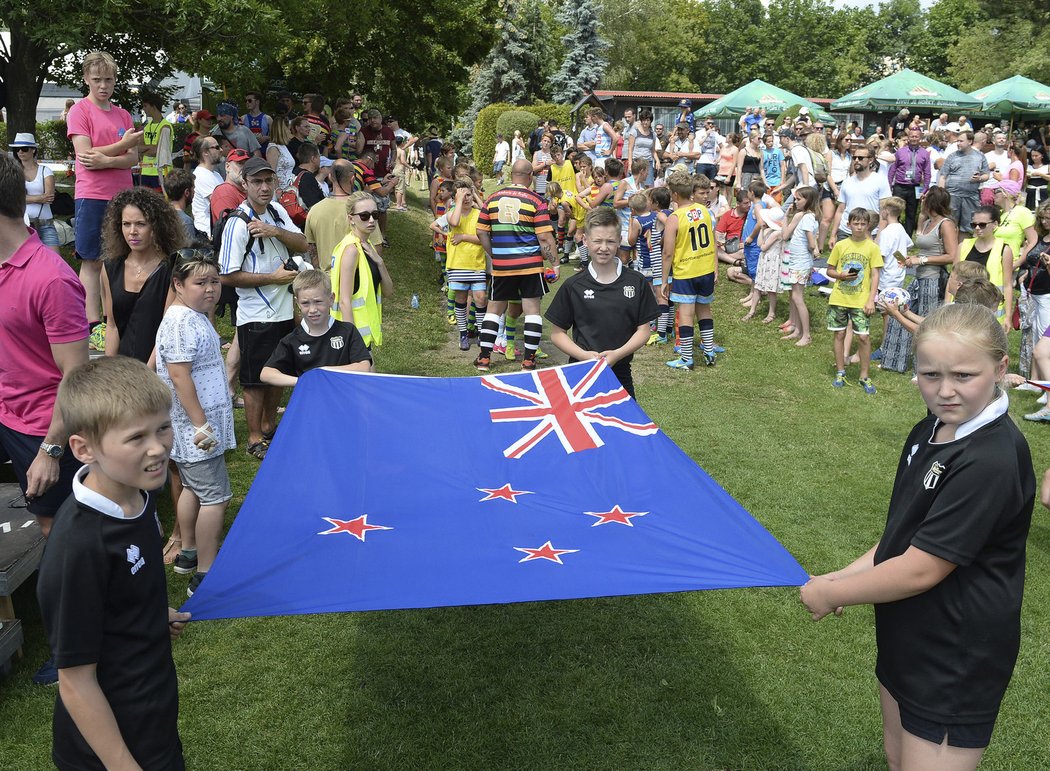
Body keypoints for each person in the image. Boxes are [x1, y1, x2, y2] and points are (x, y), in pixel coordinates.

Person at [801, 302, 1034, 771]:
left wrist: (833, 593)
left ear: (1001, 369)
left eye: (964, 376)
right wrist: (838, 576)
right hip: (909, 634)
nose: (945, 391)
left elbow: (923, 567)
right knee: (897, 755)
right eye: (930, 375)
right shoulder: (930, 427)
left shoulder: (990, 459)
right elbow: (903, 538)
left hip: (955, 653)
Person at [36, 357, 190, 767]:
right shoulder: (79, 548)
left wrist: (151, 613)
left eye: (163, 427)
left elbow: (123, 590)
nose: (158, 448)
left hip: (152, 720)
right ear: (84, 449)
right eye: (136, 437)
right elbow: (74, 681)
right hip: (110, 751)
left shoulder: (138, 491)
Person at [155, 250, 235, 597]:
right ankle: (206, 571)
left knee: (191, 488)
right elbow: (178, 374)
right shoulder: (181, 321)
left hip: (196, 426)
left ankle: (188, 552)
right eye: (200, 282)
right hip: (194, 429)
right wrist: (201, 425)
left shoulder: (193, 313)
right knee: (216, 497)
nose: (210, 289)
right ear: (178, 284)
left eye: (214, 281)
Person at [218, 157, 308, 459]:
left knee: (279, 372)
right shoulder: (237, 223)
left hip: (283, 310)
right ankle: (254, 437)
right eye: (257, 181)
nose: (264, 187)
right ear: (245, 184)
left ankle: (269, 425)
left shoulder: (276, 211)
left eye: (269, 181)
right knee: (255, 379)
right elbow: (227, 275)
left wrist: (275, 231)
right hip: (256, 314)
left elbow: (303, 242)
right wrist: (273, 277)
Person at [66, 51, 141, 348]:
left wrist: (106, 156)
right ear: (86, 78)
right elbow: (85, 157)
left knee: (118, 259)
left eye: (108, 79)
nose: (103, 85)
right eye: (97, 79)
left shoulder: (123, 114)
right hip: (92, 196)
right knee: (91, 259)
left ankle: (114, 319)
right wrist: (121, 147)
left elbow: (132, 159)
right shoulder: (80, 111)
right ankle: (90, 323)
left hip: (122, 195)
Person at [546, 207, 659, 399]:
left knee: (625, 427)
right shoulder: (574, 285)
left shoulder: (636, 281)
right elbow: (557, 334)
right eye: (597, 241)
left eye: (610, 241)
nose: (604, 247)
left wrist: (617, 354)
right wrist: (585, 356)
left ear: (618, 243)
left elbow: (644, 330)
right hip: (581, 373)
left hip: (620, 372)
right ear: (586, 241)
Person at [473, 159, 559, 372]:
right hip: (530, 265)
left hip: (503, 266)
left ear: (512, 175)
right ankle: (529, 360)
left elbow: (481, 231)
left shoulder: (492, 199)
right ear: (530, 176)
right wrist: (555, 264)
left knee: (494, 310)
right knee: (532, 311)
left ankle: (484, 358)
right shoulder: (536, 201)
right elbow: (546, 238)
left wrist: (493, 252)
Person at [100, 187, 184, 363]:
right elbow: (112, 326)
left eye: (141, 224)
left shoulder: (173, 267)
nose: (132, 231)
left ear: (156, 226)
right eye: (126, 224)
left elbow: (166, 330)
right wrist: (108, 372)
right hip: (122, 368)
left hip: (160, 366)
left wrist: (147, 373)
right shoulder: (110, 267)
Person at [883, 188, 960, 374]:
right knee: (899, 313)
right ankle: (894, 362)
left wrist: (922, 260)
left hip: (934, 280)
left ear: (932, 201)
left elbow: (952, 255)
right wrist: (913, 258)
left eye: (925, 198)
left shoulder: (946, 224)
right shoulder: (926, 222)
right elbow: (928, 250)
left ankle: (928, 369)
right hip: (919, 277)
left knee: (928, 325)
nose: (921, 200)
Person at [261, 269, 373, 391]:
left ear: (331, 299)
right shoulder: (292, 340)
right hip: (312, 401)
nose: (313, 309)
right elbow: (266, 374)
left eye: (318, 302)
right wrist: (303, 380)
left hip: (345, 398)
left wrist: (321, 373)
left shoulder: (347, 331)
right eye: (305, 303)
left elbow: (364, 366)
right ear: (297, 303)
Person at [661, 171, 718, 370]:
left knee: (685, 314)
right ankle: (709, 350)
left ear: (675, 194)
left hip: (686, 271)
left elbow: (668, 253)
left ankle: (686, 358)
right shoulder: (705, 211)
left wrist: (664, 279)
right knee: (704, 310)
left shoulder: (674, 218)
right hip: (706, 269)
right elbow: (712, 240)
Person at [826, 207, 882, 393]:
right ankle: (840, 371)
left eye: (862, 224)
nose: (859, 227)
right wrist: (840, 275)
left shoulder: (872, 248)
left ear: (868, 226)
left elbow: (875, 275)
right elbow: (829, 270)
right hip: (840, 298)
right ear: (849, 224)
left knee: (864, 337)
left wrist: (871, 300)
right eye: (855, 223)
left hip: (861, 300)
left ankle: (864, 376)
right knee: (839, 334)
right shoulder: (841, 246)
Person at [331, 191, 394, 350]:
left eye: (375, 214)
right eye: (364, 216)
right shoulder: (351, 250)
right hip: (354, 337)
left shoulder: (367, 246)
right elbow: (344, 301)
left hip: (364, 336)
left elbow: (388, 291)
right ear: (351, 218)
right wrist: (352, 341)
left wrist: (380, 262)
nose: (372, 220)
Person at [442, 181, 488, 350]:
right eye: (462, 195)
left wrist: (463, 237)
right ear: (455, 197)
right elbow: (454, 223)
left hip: (476, 263)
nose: (466, 198)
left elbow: (483, 238)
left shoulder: (479, 214)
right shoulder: (452, 213)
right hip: (457, 264)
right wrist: (459, 201)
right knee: (460, 299)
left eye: (468, 195)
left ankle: (483, 332)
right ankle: (462, 333)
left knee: (481, 298)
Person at [959, 204, 1014, 330]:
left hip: (990, 310)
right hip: (963, 307)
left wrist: (1008, 316)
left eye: (982, 224)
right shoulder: (963, 246)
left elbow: (1007, 285)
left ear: (994, 224)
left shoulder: (1004, 250)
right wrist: (947, 305)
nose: (977, 228)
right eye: (974, 225)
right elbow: (953, 277)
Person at [829, 145, 891, 249]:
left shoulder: (880, 180)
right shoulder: (847, 182)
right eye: (854, 158)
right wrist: (833, 235)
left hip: (870, 232)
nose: (856, 160)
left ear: (871, 160)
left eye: (861, 158)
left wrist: (879, 237)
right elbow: (840, 210)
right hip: (846, 231)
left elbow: (884, 212)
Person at [780, 186, 819, 346]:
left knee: (797, 297)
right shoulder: (805, 216)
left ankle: (806, 335)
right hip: (797, 261)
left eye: (798, 199)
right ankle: (797, 330)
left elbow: (809, 241)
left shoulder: (806, 217)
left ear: (808, 200)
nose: (795, 202)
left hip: (800, 262)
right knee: (794, 296)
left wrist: (785, 217)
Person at [11, 133, 59, 248]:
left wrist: (24, 198)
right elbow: (12, 198)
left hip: (46, 224)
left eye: (24, 149)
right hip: (22, 225)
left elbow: (49, 197)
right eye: (17, 149)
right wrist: (39, 198)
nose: (20, 152)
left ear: (33, 150)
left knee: (54, 262)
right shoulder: (13, 172)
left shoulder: (45, 171)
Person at [940, 130, 990, 236]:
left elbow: (986, 175)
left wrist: (979, 178)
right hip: (952, 196)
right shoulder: (952, 156)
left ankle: (962, 250)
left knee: (968, 227)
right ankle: (950, 250)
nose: (958, 143)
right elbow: (943, 176)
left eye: (961, 141)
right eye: (957, 141)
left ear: (970, 141)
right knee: (950, 225)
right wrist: (941, 195)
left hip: (971, 197)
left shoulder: (980, 156)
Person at [888, 128, 931, 237]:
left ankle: (907, 237)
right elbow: (893, 169)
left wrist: (925, 189)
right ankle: (894, 235)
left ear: (920, 138)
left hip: (915, 187)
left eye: (916, 136)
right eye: (912, 136)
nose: (914, 139)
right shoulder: (900, 152)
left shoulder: (924, 153)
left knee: (911, 214)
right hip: (900, 185)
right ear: (908, 138)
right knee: (895, 212)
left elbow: (927, 172)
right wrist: (889, 185)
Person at [138, 91, 174, 191]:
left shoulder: (165, 126)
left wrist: (146, 149)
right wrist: (151, 147)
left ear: (153, 106)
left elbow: (159, 151)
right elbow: (138, 148)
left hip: (161, 172)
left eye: (145, 106)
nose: (144, 109)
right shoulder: (146, 126)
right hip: (145, 172)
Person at [191, 136, 225, 234]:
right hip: (207, 234)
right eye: (217, 147)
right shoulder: (202, 175)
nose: (221, 150)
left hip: (215, 230)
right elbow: (221, 204)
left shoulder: (215, 175)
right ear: (205, 152)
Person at [166, 168, 202, 243]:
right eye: (193, 189)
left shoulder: (160, 215)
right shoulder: (186, 222)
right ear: (187, 192)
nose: (194, 192)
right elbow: (189, 253)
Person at [291, 142, 326, 209]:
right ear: (313, 159)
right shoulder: (307, 178)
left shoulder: (295, 171)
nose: (320, 160)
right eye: (319, 156)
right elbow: (313, 206)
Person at [266, 116, 296, 191]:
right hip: (280, 190)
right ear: (283, 131)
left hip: (289, 188)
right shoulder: (273, 148)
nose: (290, 132)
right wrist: (277, 190)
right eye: (289, 129)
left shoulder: (283, 147)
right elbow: (272, 173)